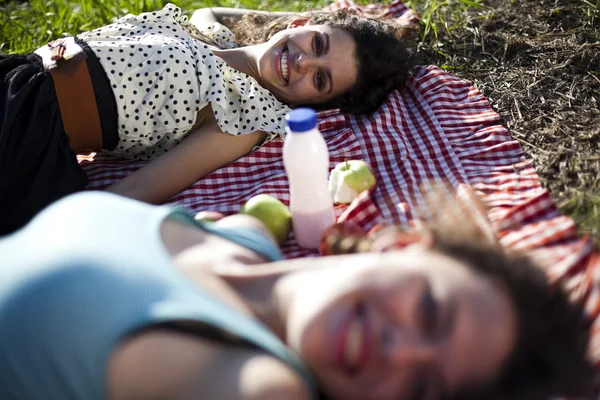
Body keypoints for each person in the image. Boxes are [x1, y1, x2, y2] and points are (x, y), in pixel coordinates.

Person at [0, 190, 593, 400]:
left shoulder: (261, 387)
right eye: (430, 311)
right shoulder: (247, 236)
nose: (403, 354)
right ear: (406, 244)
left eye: (420, 391)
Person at [0, 3, 415, 235]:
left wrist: (53, 234)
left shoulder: (243, 116)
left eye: (320, 80)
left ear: (319, 102)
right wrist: (374, 24)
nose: (303, 61)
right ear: (302, 23)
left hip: (25, 134)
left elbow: (142, 187)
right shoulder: (209, 32)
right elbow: (214, 10)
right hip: (15, 75)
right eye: (317, 42)